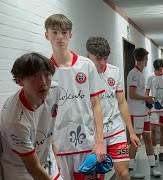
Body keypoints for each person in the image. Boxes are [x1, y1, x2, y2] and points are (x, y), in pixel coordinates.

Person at [44, 14, 106, 179]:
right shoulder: (44, 71)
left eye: (64, 33)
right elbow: (43, 112)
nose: (60, 37)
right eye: (55, 32)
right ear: (47, 35)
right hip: (58, 148)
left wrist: (100, 142)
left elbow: (96, 105)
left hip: (87, 145)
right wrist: (50, 149)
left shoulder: (86, 65)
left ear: (70, 35)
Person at [86, 36, 141, 180]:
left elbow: (122, 103)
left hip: (116, 129)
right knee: (97, 175)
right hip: (95, 132)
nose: (102, 63)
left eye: (105, 58)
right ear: (88, 56)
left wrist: (131, 132)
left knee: (123, 173)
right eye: (98, 59)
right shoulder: (82, 74)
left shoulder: (115, 72)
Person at [0, 53, 61, 180]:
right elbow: (33, 168)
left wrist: (55, 155)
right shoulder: (15, 119)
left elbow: (48, 125)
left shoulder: (54, 89)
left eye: (47, 74)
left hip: (46, 158)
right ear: (19, 80)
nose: (43, 82)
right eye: (35, 76)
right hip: (21, 168)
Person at [127, 47, 161, 178]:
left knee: (148, 138)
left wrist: (147, 101)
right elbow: (132, 94)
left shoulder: (140, 74)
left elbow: (138, 93)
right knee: (136, 141)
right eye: (147, 59)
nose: (147, 61)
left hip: (143, 112)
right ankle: (130, 169)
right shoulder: (134, 74)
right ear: (143, 59)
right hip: (135, 113)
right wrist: (146, 98)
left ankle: (153, 167)